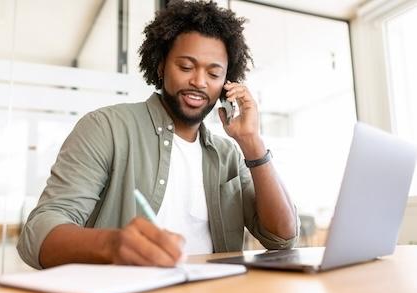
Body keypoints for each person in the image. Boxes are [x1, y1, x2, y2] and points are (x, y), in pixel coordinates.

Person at [17, 0, 299, 270]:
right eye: (186, 67)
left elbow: (282, 238)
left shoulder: (229, 155)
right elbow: (38, 233)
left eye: (214, 74)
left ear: (227, 83)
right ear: (161, 65)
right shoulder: (106, 127)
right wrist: (112, 245)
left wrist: (252, 143)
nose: (199, 82)